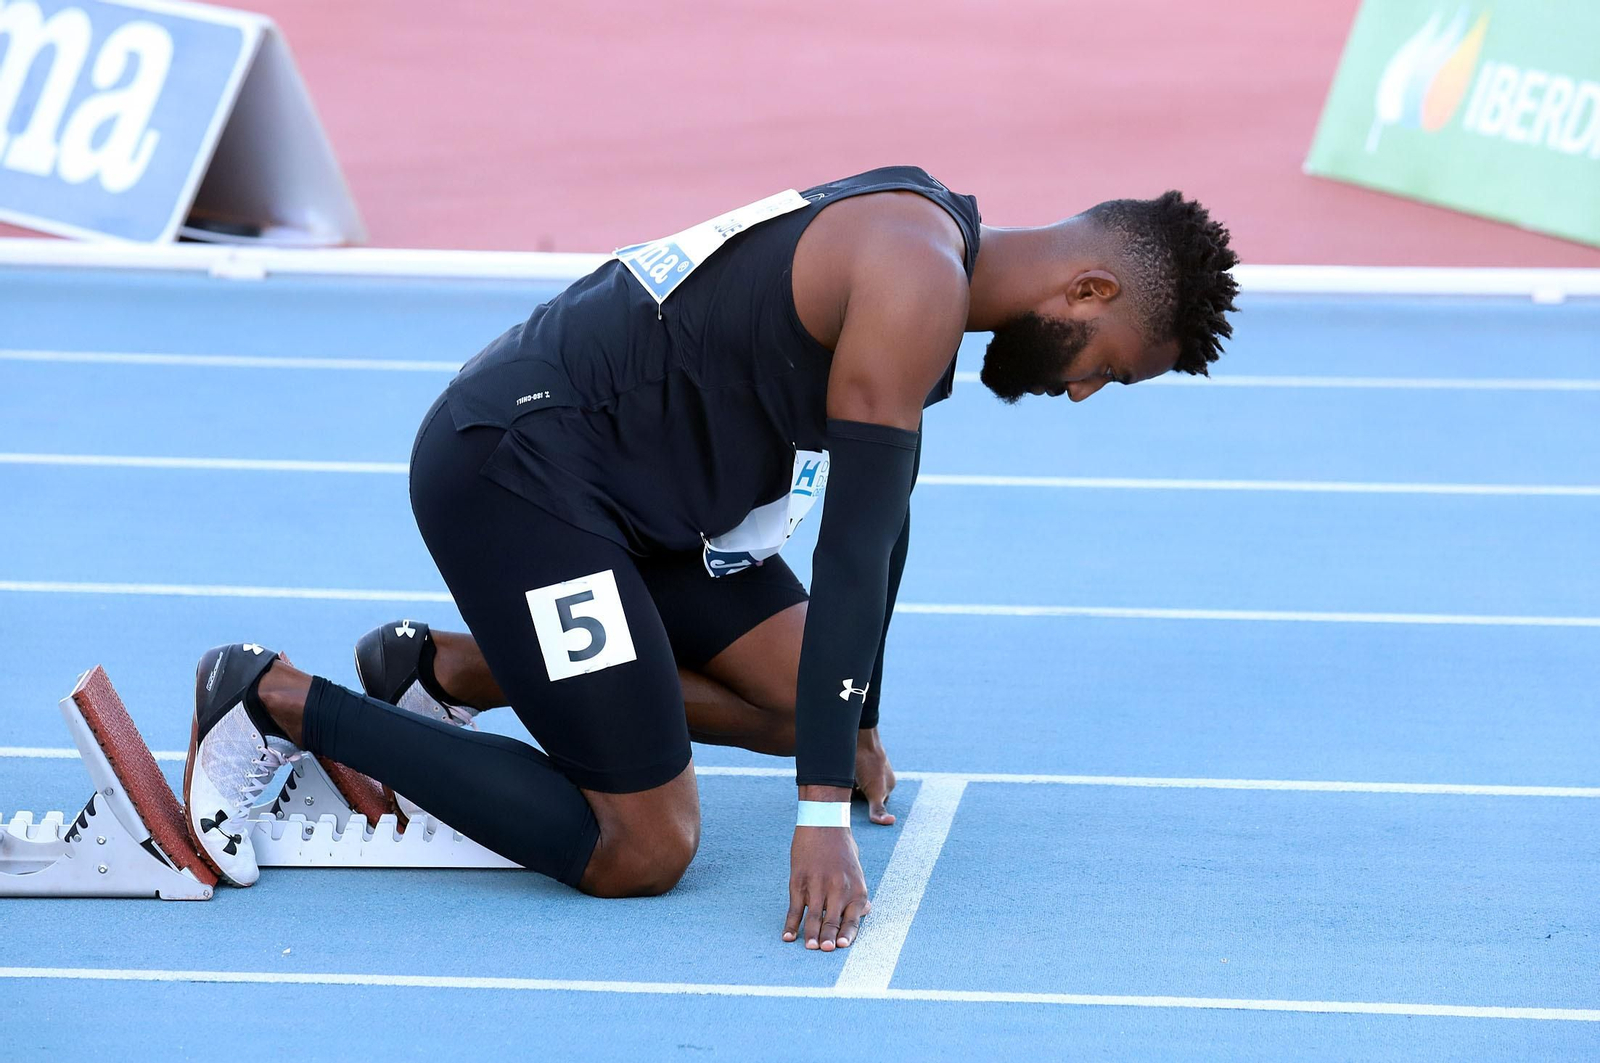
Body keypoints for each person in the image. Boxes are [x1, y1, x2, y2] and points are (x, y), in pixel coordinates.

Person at [183, 166, 1239, 951]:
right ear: (1090, 291)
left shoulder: (934, 253)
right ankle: (275, 700)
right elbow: (856, 547)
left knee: (807, 706)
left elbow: (888, 515)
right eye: (1112, 370)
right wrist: (819, 812)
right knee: (643, 847)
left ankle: (443, 672)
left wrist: (853, 722)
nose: (1086, 390)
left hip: (646, 508)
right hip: (521, 473)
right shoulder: (914, 278)